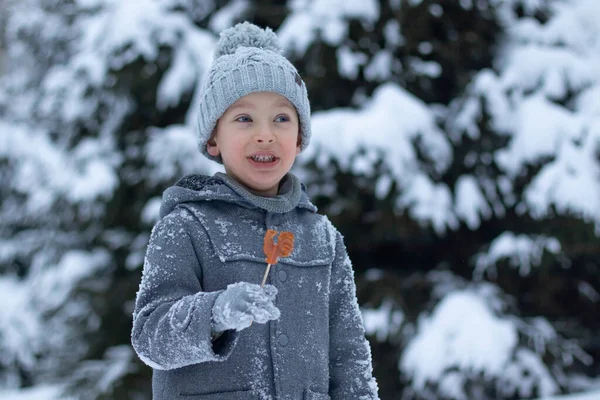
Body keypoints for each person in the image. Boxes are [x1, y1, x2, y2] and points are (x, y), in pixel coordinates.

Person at [131, 21, 379, 400]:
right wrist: (215, 313)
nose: (265, 133)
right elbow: (151, 338)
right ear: (214, 138)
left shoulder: (322, 238)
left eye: (281, 118)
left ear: (298, 139)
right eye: (244, 118)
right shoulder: (186, 227)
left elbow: (349, 358)